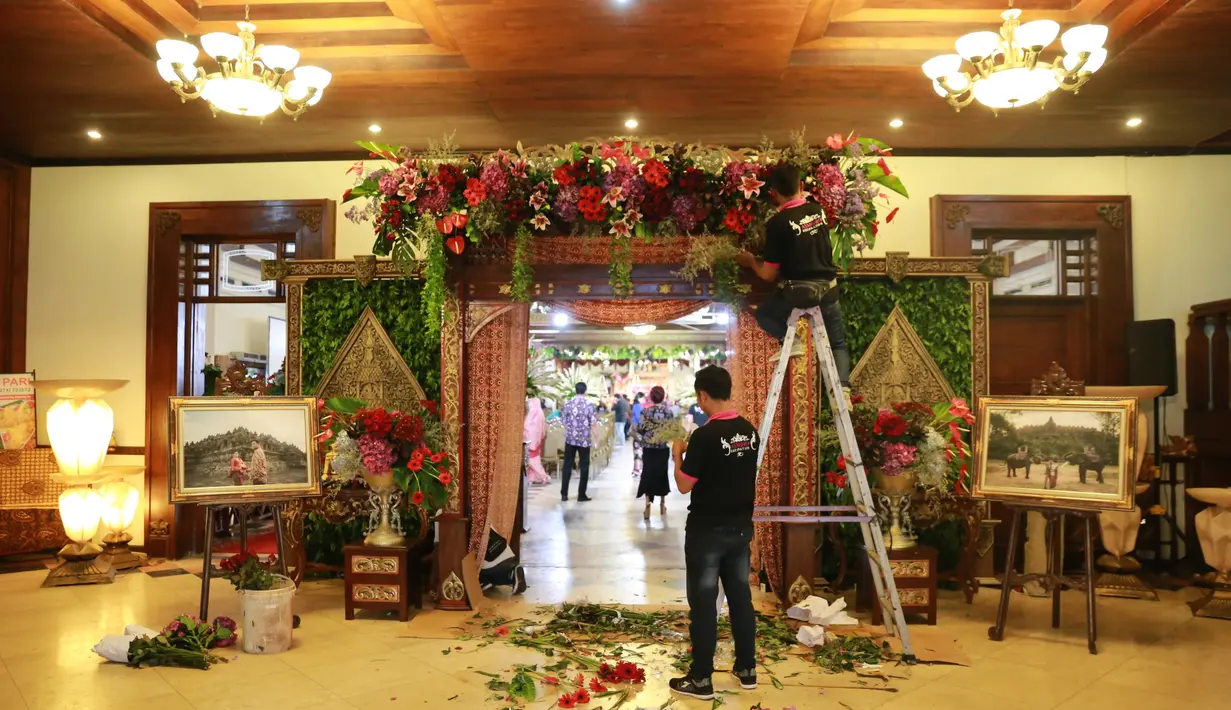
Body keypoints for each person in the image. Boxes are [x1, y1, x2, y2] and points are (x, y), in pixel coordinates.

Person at [668, 365, 759, 701]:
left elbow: (682, 485)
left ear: (703, 395)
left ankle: (701, 678)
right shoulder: (749, 432)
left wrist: (677, 456)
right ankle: (747, 669)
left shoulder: (704, 436)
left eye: (698, 396)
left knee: (704, 603)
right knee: (740, 599)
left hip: (707, 532)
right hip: (740, 530)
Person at [735, 163, 851, 386]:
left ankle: (792, 342)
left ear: (773, 193)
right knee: (837, 344)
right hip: (828, 289)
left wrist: (750, 261)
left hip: (799, 292)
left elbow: (768, 275)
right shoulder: (818, 211)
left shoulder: (777, 223)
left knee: (765, 314)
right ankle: (843, 391)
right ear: (800, 185)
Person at [634, 386, 674, 519]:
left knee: (648, 474)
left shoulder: (646, 412)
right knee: (662, 474)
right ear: (663, 397)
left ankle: (647, 504)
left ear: (651, 397)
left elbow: (640, 428)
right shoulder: (668, 412)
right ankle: (662, 503)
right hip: (662, 449)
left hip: (649, 448)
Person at [560, 382, 596, 502]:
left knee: (567, 465)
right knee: (584, 466)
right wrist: (596, 437)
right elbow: (593, 423)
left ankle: (564, 494)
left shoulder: (568, 403)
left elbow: (563, 420)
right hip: (584, 440)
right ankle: (581, 495)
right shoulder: (589, 404)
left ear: (575, 390)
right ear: (585, 391)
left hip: (570, 439)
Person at [523, 397, 550, 484]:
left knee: (531, 459)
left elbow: (526, 426)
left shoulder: (532, 412)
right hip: (537, 440)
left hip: (529, 439)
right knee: (535, 459)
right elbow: (543, 427)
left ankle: (543, 476)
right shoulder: (540, 412)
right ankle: (533, 477)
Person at [631, 393, 645, 476]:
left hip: (638, 431)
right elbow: (639, 418)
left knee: (638, 450)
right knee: (638, 451)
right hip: (639, 431)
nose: (644, 400)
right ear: (639, 398)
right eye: (643, 398)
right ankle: (637, 469)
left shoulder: (636, 406)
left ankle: (638, 469)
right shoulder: (637, 406)